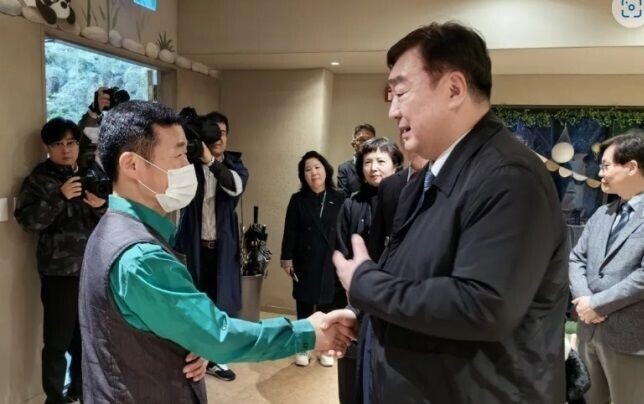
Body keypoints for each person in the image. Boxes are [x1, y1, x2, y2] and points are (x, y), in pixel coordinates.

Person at [333, 22, 568, 403]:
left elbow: (482, 305)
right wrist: (372, 321)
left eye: (401, 92)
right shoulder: (434, 176)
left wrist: (366, 283)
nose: (392, 110)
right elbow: (423, 278)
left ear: (454, 89)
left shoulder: (508, 176)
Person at [79, 101, 356, 404]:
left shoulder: (112, 227)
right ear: (132, 165)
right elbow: (219, 334)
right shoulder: (141, 259)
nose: (188, 166)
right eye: (179, 154)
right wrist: (308, 332)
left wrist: (188, 343)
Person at [14, 117, 106, 404]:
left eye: (71, 143)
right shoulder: (40, 179)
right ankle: (54, 398)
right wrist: (59, 195)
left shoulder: (91, 172)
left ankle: (79, 390)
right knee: (57, 341)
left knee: (86, 336)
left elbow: (114, 217)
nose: (66, 150)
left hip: (93, 269)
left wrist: (102, 206)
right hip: (59, 273)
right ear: (47, 147)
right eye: (58, 144)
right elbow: (29, 221)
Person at [569, 130, 644, 404]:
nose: (600, 173)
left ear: (632, 166)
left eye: (606, 166)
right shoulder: (602, 213)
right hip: (589, 333)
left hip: (632, 340)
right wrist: (584, 303)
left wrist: (597, 304)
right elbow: (576, 259)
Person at [174, 109, 248, 381]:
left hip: (222, 249)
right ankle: (192, 357)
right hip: (192, 246)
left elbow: (235, 188)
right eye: (212, 131)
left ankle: (215, 358)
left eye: (223, 132)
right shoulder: (189, 165)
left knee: (220, 305)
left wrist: (211, 161)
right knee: (193, 304)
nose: (218, 138)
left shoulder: (236, 166)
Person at [335, 137, 403, 403]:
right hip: (356, 298)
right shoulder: (352, 203)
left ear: (396, 165)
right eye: (367, 162)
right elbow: (341, 248)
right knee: (353, 369)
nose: (374, 167)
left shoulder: (406, 200)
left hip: (392, 298)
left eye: (381, 161)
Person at [280, 151, 346, 367]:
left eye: (317, 167)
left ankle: (326, 348)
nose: (313, 173)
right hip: (305, 259)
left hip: (330, 259)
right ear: (303, 176)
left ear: (326, 169)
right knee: (305, 305)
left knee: (329, 304)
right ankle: (303, 345)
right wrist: (286, 258)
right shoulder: (298, 200)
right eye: (307, 170)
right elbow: (290, 230)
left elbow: (344, 231)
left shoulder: (340, 198)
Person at [337, 124, 376, 197]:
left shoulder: (380, 166)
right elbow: (342, 198)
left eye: (369, 140)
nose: (366, 143)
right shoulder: (344, 168)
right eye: (362, 140)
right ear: (353, 143)